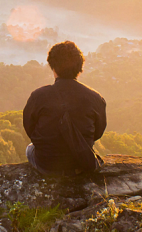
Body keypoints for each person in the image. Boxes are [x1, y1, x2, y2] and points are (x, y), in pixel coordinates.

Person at [23, 40, 107, 176]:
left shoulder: (38, 96)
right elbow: (98, 132)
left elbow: (29, 128)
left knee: (29, 149)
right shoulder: (95, 98)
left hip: (46, 164)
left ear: (53, 68)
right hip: (80, 162)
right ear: (79, 69)